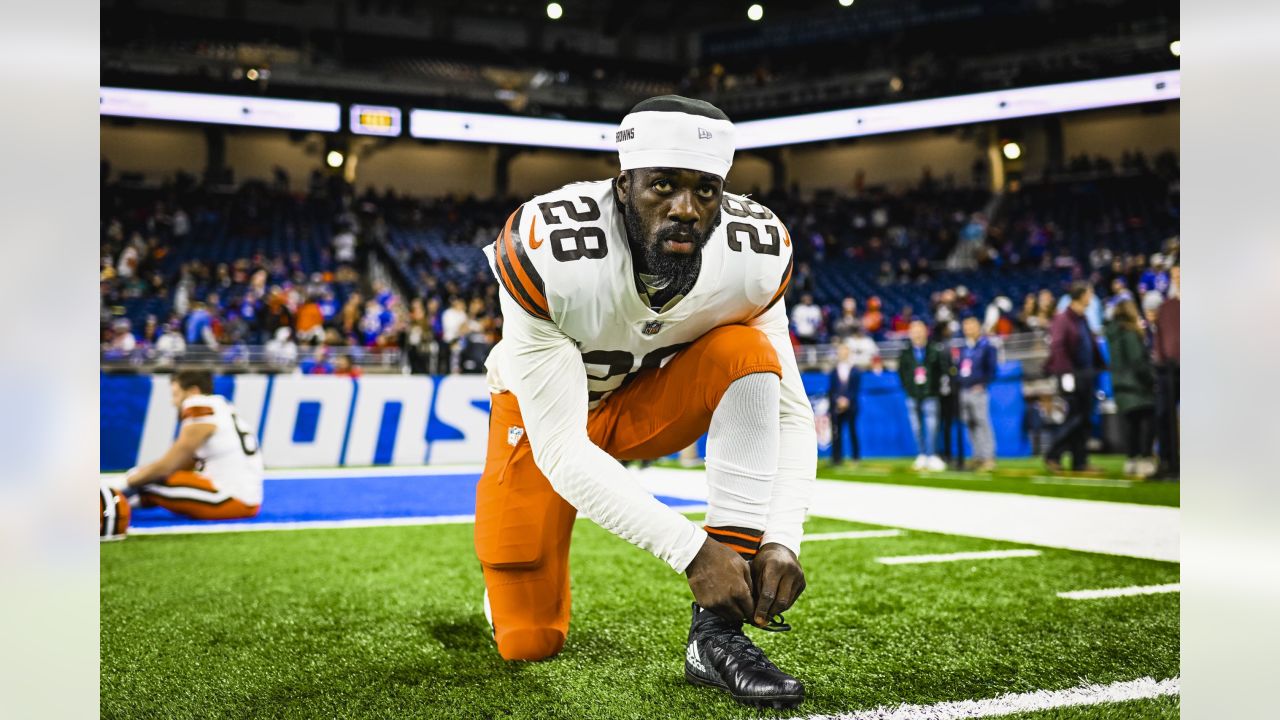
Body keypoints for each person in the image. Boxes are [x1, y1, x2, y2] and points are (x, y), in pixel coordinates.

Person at [477, 95, 812, 709]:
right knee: (529, 640)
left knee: (747, 353)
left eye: (705, 191)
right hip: (545, 420)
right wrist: (690, 552)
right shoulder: (549, 249)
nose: (686, 209)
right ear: (624, 185)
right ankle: (509, 591)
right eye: (663, 185)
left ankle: (715, 638)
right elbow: (561, 449)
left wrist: (782, 536)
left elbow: (790, 408)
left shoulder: (754, 252)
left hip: (646, 407)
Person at [119, 370, 263, 520]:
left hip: (230, 499)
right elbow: (186, 464)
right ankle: (117, 507)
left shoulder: (198, 404)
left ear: (193, 392)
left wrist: (122, 483)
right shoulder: (223, 406)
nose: (173, 402)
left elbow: (169, 465)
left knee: (145, 481)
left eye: (176, 394)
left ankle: (107, 505)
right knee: (144, 477)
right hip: (245, 498)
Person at [1043, 282, 1106, 472]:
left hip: (1087, 375)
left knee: (1084, 419)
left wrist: (1100, 367)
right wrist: (1066, 375)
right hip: (1072, 376)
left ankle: (1080, 461)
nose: (1092, 297)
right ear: (1081, 295)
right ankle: (1053, 453)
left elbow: (1090, 346)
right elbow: (1058, 348)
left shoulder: (1082, 318)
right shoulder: (1063, 318)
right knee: (1075, 418)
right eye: (1090, 293)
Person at [1105, 299, 1156, 477]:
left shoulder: (1111, 334)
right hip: (1138, 386)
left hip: (1120, 385)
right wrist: (1151, 379)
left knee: (1131, 425)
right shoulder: (1130, 333)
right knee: (1147, 422)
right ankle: (1146, 460)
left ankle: (1131, 460)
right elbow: (1138, 361)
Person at [898, 319, 947, 471]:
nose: (917, 334)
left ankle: (932, 454)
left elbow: (941, 371)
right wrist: (909, 389)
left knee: (932, 426)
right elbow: (902, 374)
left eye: (920, 330)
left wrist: (937, 388)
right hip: (913, 395)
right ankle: (921, 454)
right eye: (914, 331)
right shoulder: (905, 353)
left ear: (926, 332)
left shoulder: (934, 350)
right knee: (916, 426)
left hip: (931, 394)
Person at [957, 315, 998, 471]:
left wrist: (983, 384)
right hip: (964, 390)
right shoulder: (964, 348)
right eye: (966, 326)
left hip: (978, 391)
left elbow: (992, 370)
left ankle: (989, 457)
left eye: (971, 326)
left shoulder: (987, 346)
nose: (968, 329)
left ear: (978, 327)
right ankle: (977, 456)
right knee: (970, 424)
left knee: (982, 423)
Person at [1153, 265, 1180, 480]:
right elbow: (1159, 339)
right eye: (1175, 274)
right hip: (1169, 370)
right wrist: (1160, 360)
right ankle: (1168, 462)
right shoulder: (1167, 306)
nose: (1177, 277)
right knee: (1164, 415)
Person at [827, 343, 861, 466]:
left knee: (853, 431)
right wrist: (837, 400)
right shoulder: (834, 370)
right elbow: (832, 389)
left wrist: (847, 400)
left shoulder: (855, 370)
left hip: (851, 407)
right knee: (836, 433)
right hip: (837, 407)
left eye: (845, 352)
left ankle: (855, 457)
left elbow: (855, 389)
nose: (843, 354)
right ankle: (836, 458)